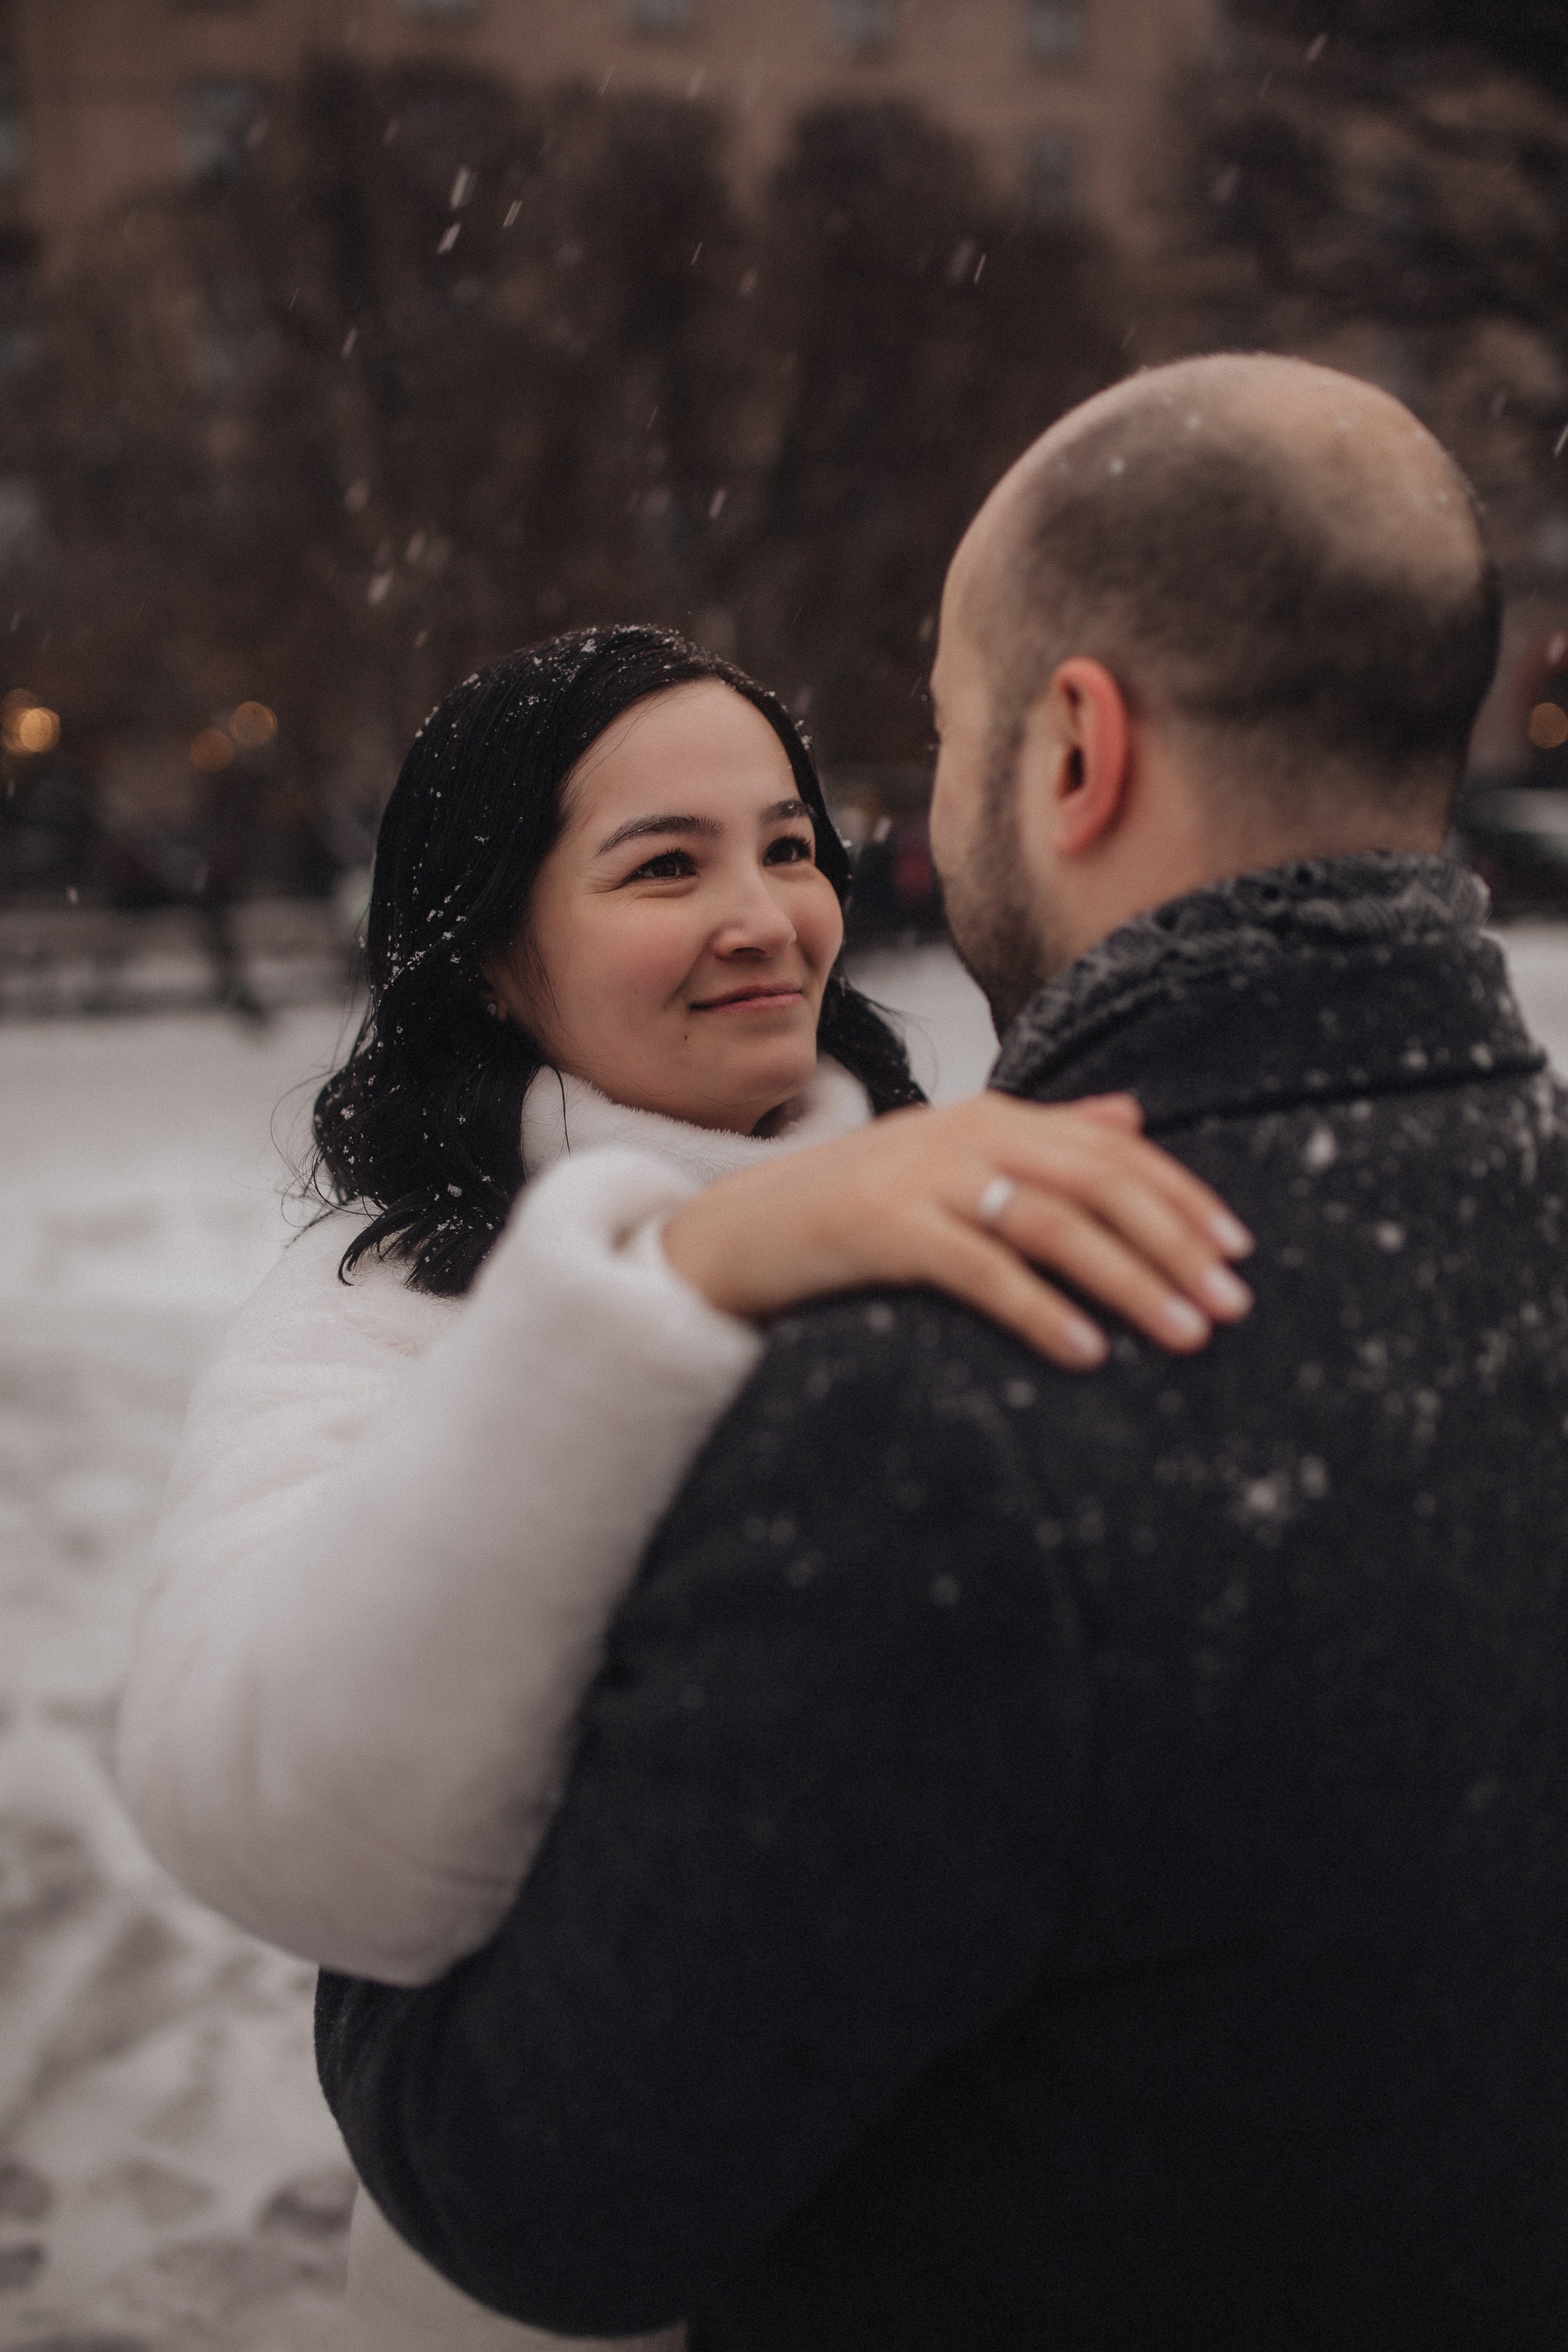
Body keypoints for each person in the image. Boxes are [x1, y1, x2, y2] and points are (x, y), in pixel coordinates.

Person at [314, 352, 1568, 2350]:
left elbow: (526, 2187)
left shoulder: (957, 1407)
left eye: (945, 731)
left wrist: (396, 1907)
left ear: (1073, 751)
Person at [116, 627, 1253, 2352]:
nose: (764, 915)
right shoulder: (387, 1310)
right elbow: (275, 1819)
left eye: (788, 846)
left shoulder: (976, 1194)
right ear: (492, 953)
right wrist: (678, 1281)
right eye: (665, 864)